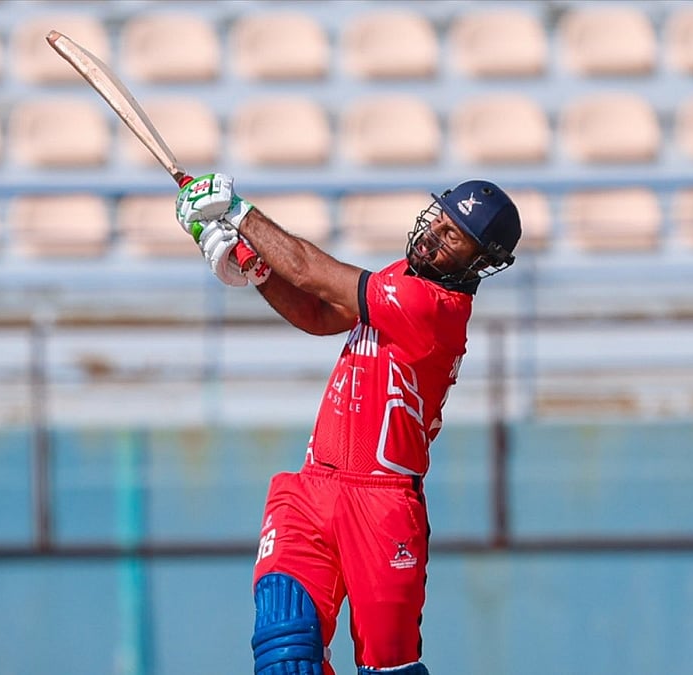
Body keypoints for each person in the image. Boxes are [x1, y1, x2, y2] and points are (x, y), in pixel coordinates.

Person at [174, 174, 521, 675]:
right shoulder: (403, 275)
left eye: (452, 235)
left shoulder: (435, 309)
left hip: (381, 505)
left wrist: (239, 211)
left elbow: (311, 271)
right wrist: (253, 269)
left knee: (387, 668)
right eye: (438, 219)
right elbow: (318, 313)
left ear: (481, 261)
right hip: (313, 486)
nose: (433, 234)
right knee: (283, 649)